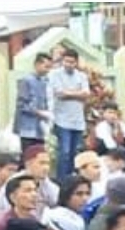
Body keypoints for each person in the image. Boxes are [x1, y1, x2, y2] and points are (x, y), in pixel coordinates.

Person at [48, 48, 90, 181]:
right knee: (64, 152)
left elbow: (86, 94)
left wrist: (69, 93)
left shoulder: (81, 76)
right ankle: (61, 181)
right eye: (66, 61)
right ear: (62, 61)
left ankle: (72, 180)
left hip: (78, 120)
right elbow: (59, 93)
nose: (68, 64)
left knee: (75, 153)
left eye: (72, 62)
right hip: (61, 120)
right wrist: (77, 93)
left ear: (76, 63)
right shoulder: (54, 74)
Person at [14, 52, 52, 153]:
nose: (48, 70)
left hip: (40, 127)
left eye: (49, 67)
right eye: (46, 66)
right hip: (27, 127)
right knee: (28, 156)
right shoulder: (26, 81)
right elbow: (21, 105)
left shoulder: (45, 82)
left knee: (39, 155)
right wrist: (37, 112)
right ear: (37, 65)